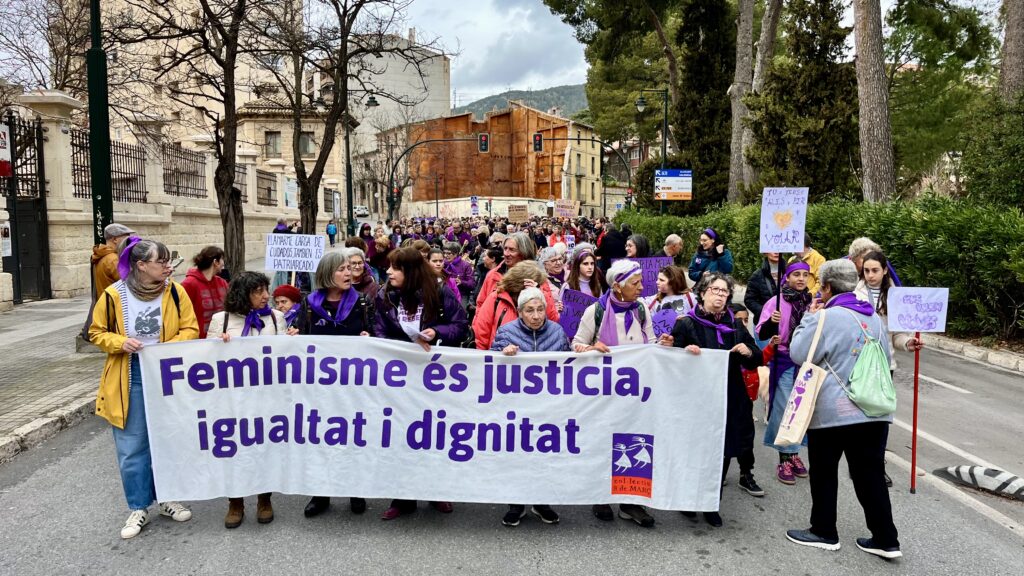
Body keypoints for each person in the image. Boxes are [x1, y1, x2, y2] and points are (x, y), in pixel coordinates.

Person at [785, 259, 902, 559]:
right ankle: (886, 539)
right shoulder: (875, 318)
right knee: (870, 474)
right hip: (874, 410)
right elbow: (887, 359)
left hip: (834, 411)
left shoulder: (825, 317)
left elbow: (799, 353)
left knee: (824, 472)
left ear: (826, 287)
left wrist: (809, 319)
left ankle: (824, 531)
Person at [89, 237, 198, 539]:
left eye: (168, 260)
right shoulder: (113, 295)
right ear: (140, 265)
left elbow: (191, 328)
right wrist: (119, 342)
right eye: (161, 261)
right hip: (130, 374)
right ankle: (138, 506)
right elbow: (96, 333)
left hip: (165, 373)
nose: (167, 266)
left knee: (168, 439)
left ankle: (167, 498)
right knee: (132, 445)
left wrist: (166, 349)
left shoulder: (176, 293)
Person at [374, 247, 468, 520]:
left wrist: (436, 331)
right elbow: (380, 329)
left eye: (395, 268)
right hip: (400, 379)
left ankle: (437, 491)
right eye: (389, 267)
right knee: (401, 436)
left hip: (434, 379)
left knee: (433, 435)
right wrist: (398, 349)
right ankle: (402, 498)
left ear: (411, 272)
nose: (389, 272)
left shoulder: (439, 293)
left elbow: (460, 325)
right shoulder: (384, 296)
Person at [572, 260, 666, 528]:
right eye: (635, 283)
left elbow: (651, 343)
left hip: (635, 393)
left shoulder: (641, 311)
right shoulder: (596, 312)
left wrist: (664, 346)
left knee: (636, 443)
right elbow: (576, 344)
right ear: (617, 286)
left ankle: (631, 502)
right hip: (603, 393)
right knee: (603, 441)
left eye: (640, 282)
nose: (641, 287)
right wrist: (591, 348)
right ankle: (600, 496)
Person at [672, 273, 765, 526]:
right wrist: (683, 353)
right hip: (695, 398)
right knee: (694, 448)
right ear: (702, 293)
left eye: (725, 292)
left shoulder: (735, 325)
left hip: (728, 396)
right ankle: (689, 500)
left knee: (722, 450)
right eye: (715, 290)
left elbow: (758, 357)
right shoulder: (686, 323)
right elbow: (670, 361)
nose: (720, 295)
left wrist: (748, 351)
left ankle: (712, 503)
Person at [292, 250, 374, 519]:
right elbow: (302, 341)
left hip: (353, 386)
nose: (348, 273)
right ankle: (321, 493)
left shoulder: (362, 302)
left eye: (349, 268)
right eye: (341, 269)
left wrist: (368, 336)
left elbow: (375, 335)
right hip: (321, 388)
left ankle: (355, 489)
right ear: (327, 274)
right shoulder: (308, 304)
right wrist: (294, 336)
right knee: (321, 438)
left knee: (352, 437)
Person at [206, 271, 287, 529]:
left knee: (264, 447)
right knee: (235, 449)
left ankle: (264, 498)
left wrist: (291, 342)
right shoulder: (222, 319)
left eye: (266, 290)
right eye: (258, 291)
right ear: (243, 294)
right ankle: (235, 502)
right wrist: (219, 345)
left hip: (266, 399)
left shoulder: (276, 318)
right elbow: (205, 359)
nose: (266, 296)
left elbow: (285, 357)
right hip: (233, 400)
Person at [491, 286, 569, 527]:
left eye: (540, 310)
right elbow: (489, 366)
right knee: (517, 457)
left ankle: (541, 502)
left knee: (545, 456)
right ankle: (516, 504)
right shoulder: (506, 332)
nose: (536, 316)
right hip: (517, 409)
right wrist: (502, 354)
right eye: (529, 311)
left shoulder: (557, 332)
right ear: (520, 312)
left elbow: (570, 368)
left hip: (549, 408)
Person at [756, 261, 813, 485]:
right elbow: (761, 332)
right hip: (784, 361)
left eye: (805, 275)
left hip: (805, 364)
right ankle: (784, 458)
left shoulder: (812, 303)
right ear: (786, 278)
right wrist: (772, 322)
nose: (800, 278)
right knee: (784, 409)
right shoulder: (775, 302)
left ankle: (794, 453)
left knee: (801, 411)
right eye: (796, 274)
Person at [474, 261, 553, 350]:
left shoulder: (539, 298)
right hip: (501, 357)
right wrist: (483, 359)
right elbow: (481, 332)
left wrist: (539, 293)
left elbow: (553, 320)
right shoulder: (497, 298)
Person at [476, 232, 559, 315]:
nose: (506, 254)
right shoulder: (493, 275)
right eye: (505, 248)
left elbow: (551, 315)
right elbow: (481, 305)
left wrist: (538, 292)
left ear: (524, 253)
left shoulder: (537, 277)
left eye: (512, 250)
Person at [181, 246, 229, 339]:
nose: (223, 263)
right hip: (198, 342)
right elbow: (182, 315)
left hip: (221, 339)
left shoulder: (222, 282)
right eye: (222, 259)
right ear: (216, 262)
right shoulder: (189, 284)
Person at [745, 252, 782, 349]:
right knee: (766, 359)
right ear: (765, 252)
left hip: (785, 326)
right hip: (764, 326)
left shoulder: (790, 273)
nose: (776, 252)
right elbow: (749, 299)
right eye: (772, 248)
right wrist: (766, 313)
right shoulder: (757, 275)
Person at [91, 223, 135, 299]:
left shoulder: (101, 255)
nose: (128, 241)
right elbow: (129, 283)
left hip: (106, 303)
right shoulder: (113, 259)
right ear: (115, 239)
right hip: (114, 304)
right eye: (126, 237)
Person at [443, 242, 476, 306]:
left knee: (461, 311)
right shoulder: (442, 264)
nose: (445, 256)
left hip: (461, 294)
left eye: (449, 253)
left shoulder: (465, 265)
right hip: (445, 293)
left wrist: (461, 282)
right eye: (444, 253)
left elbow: (472, 284)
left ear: (456, 254)